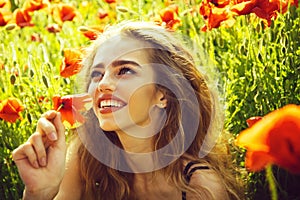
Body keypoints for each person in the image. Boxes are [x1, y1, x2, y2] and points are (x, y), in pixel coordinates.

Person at [12, 21, 244, 200]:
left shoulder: (199, 185)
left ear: (162, 94)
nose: (102, 83)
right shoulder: (84, 158)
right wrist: (40, 192)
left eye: (124, 71)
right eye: (97, 74)